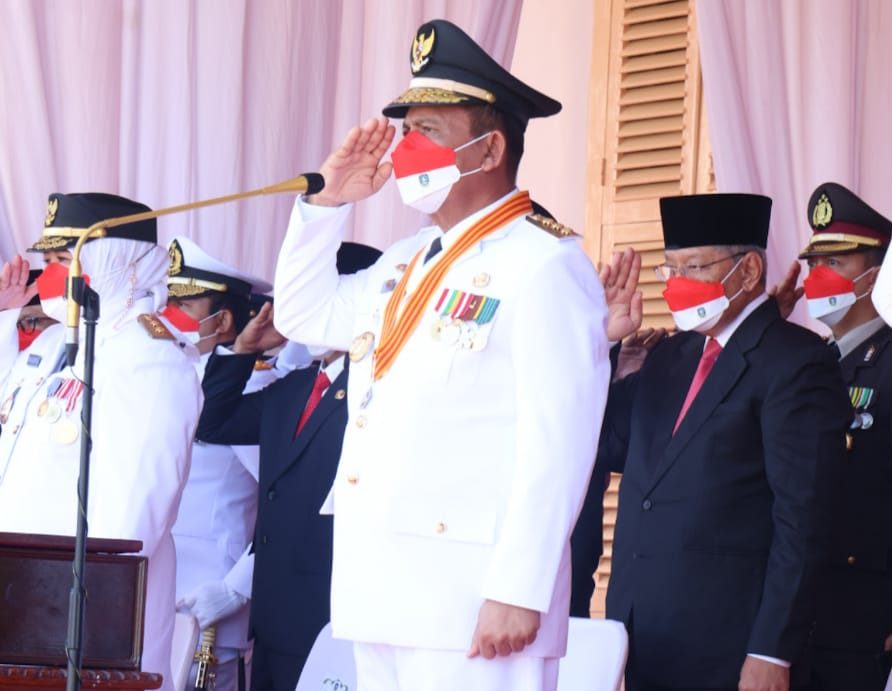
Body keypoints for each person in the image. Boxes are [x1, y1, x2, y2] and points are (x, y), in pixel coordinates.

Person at [271, 18, 610, 691]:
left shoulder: (544, 263)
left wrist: (520, 587)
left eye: (427, 129)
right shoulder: (405, 261)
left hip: (473, 596)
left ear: (490, 149)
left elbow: (559, 440)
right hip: (384, 589)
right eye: (405, 131)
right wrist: (328, 204)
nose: (405, 149)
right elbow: (301, 314)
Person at [600, 193, 850, 691]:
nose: (677, 284)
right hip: (645, 635)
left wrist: (772, 649)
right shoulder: (669, 356)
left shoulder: (794, 361)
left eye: (693, 267)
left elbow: (804, 518)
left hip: (733, 645)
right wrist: (602, 346)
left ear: (749, 270)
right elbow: (606, 445)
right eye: (670, 270)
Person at [0, 193, 202, 691]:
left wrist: (73, 620)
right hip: (22, 598)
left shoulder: (150, 358)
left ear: (117, 261)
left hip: (81, 618)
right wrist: (5, 315)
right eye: (49, 261)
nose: (52, 275)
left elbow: (134, 513)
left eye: (63, 260)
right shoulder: (55, 343)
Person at [196, 241, 381, 691]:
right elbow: (213, 422)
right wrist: (243, 350)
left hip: (331, 614)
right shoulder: (296, 385)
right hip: (275, 613)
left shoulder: (378, 387)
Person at [163, 236, 277, 691]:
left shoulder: (251, 390)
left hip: (208, 603)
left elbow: (283, 501)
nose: (168, 314)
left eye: (183, 305)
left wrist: (237, 587)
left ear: (224, 319)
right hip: (153, 593)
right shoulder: (172, 376)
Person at [796, 182, 892, 690]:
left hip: (864, 614)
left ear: (874, 274)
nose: (818, 276)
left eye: (835, 262)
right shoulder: (806, 363)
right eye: (814, 263)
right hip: (800, 613)